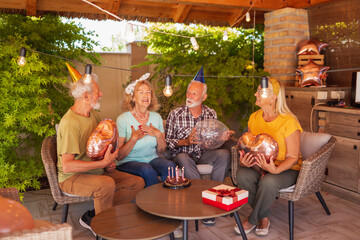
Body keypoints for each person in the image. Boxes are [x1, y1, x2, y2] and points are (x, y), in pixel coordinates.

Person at [57, 71, 145, 235]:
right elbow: (67, 166)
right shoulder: (70, 123)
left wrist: (109, 163)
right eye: (98, 92)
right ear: (85, 96)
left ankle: (94, 217)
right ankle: (106, 231)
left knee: (137, 183)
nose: (101, 94)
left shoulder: (93, 115)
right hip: (71, 178)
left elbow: (101, 145)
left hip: (96, 171)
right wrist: (102, 164)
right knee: (106, 184)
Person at [233, 77, 302, 236]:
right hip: (261, 166)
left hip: (287, 169)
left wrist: (276, 170)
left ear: (274, 97)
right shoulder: (254, 118)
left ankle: (252, 220)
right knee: (242, 175)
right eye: (257, 90)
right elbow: (251, 146)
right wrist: (245, 162)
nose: (256, 94)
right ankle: (263, 218)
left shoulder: (288, 121)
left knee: (269, 181)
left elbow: (292, 157)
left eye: (261, 91)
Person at [165, 67, 230, 226]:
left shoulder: (211, 114)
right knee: (183, 159)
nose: (189, 96)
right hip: (184, 155)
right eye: (188, 92)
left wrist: (221, 137)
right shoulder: (176, 114)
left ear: (204, 96)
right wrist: (186, 141)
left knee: (224, 154)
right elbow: (167, 142)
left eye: (194, 93)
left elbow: (214, 141)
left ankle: (215, 198)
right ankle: (202, 200)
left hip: (204, 154)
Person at [116, 73, 177, 187]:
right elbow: (119, 156)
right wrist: (133, 139)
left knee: (171, 167)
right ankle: (151, 204)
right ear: (133, 97)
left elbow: (162, 150)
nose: (146, 95)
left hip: (152, 159)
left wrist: (158, 134)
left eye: (148, 92)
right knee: (147, 170)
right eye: (141, 92)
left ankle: (170, 202)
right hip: (127, 162)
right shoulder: (123, 119)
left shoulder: (156, 117)